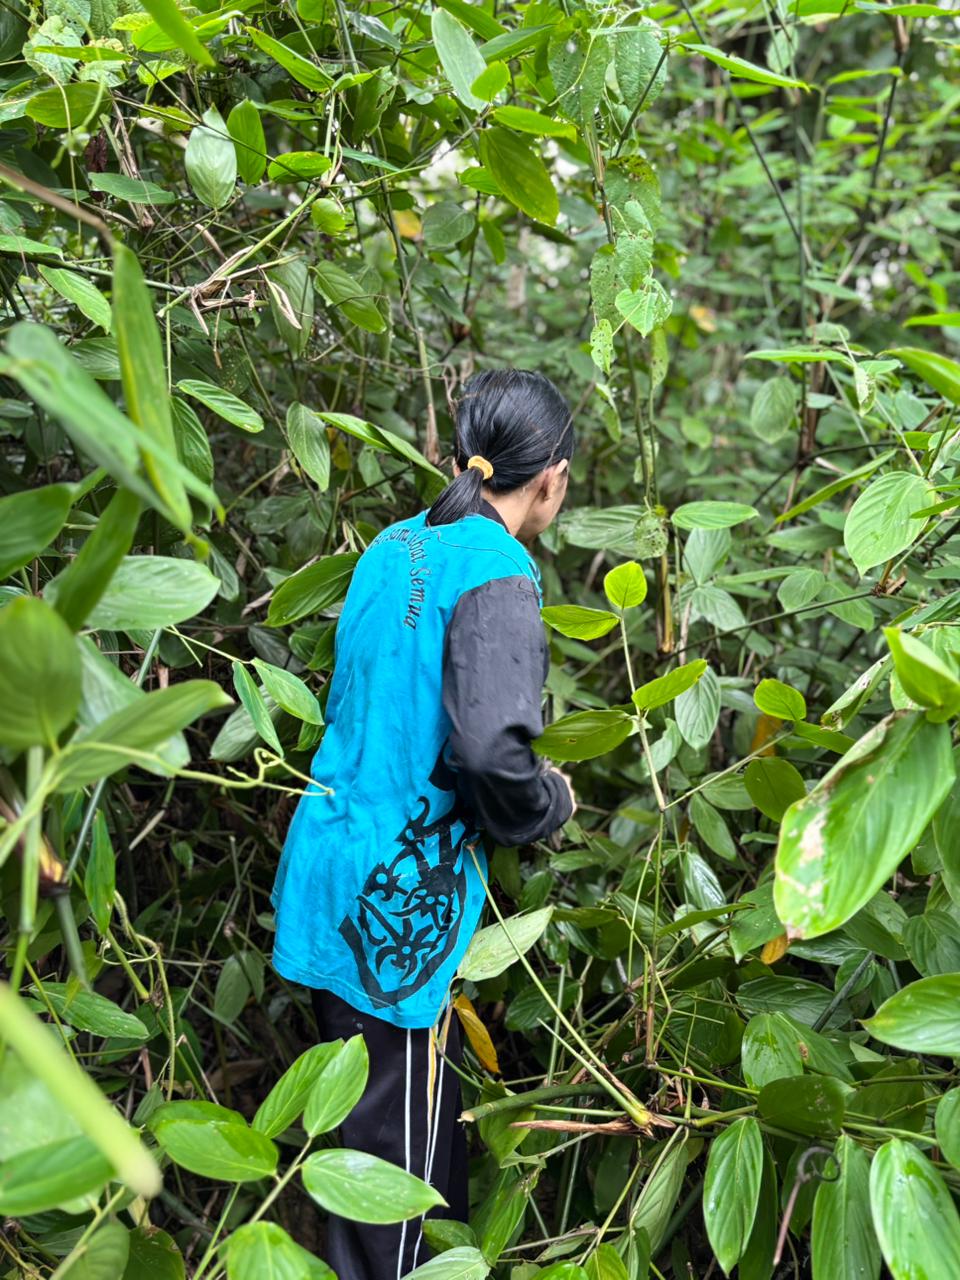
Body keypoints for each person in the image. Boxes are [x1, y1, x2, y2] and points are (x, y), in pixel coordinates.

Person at [270, 368, 577, 1279]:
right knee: (392, 1196)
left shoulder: (394, 545)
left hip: (331, 870)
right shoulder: (498, 571)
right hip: (394, 913)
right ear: (551, 478)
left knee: (380, 1151)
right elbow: (490, 755)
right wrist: (547, 802)